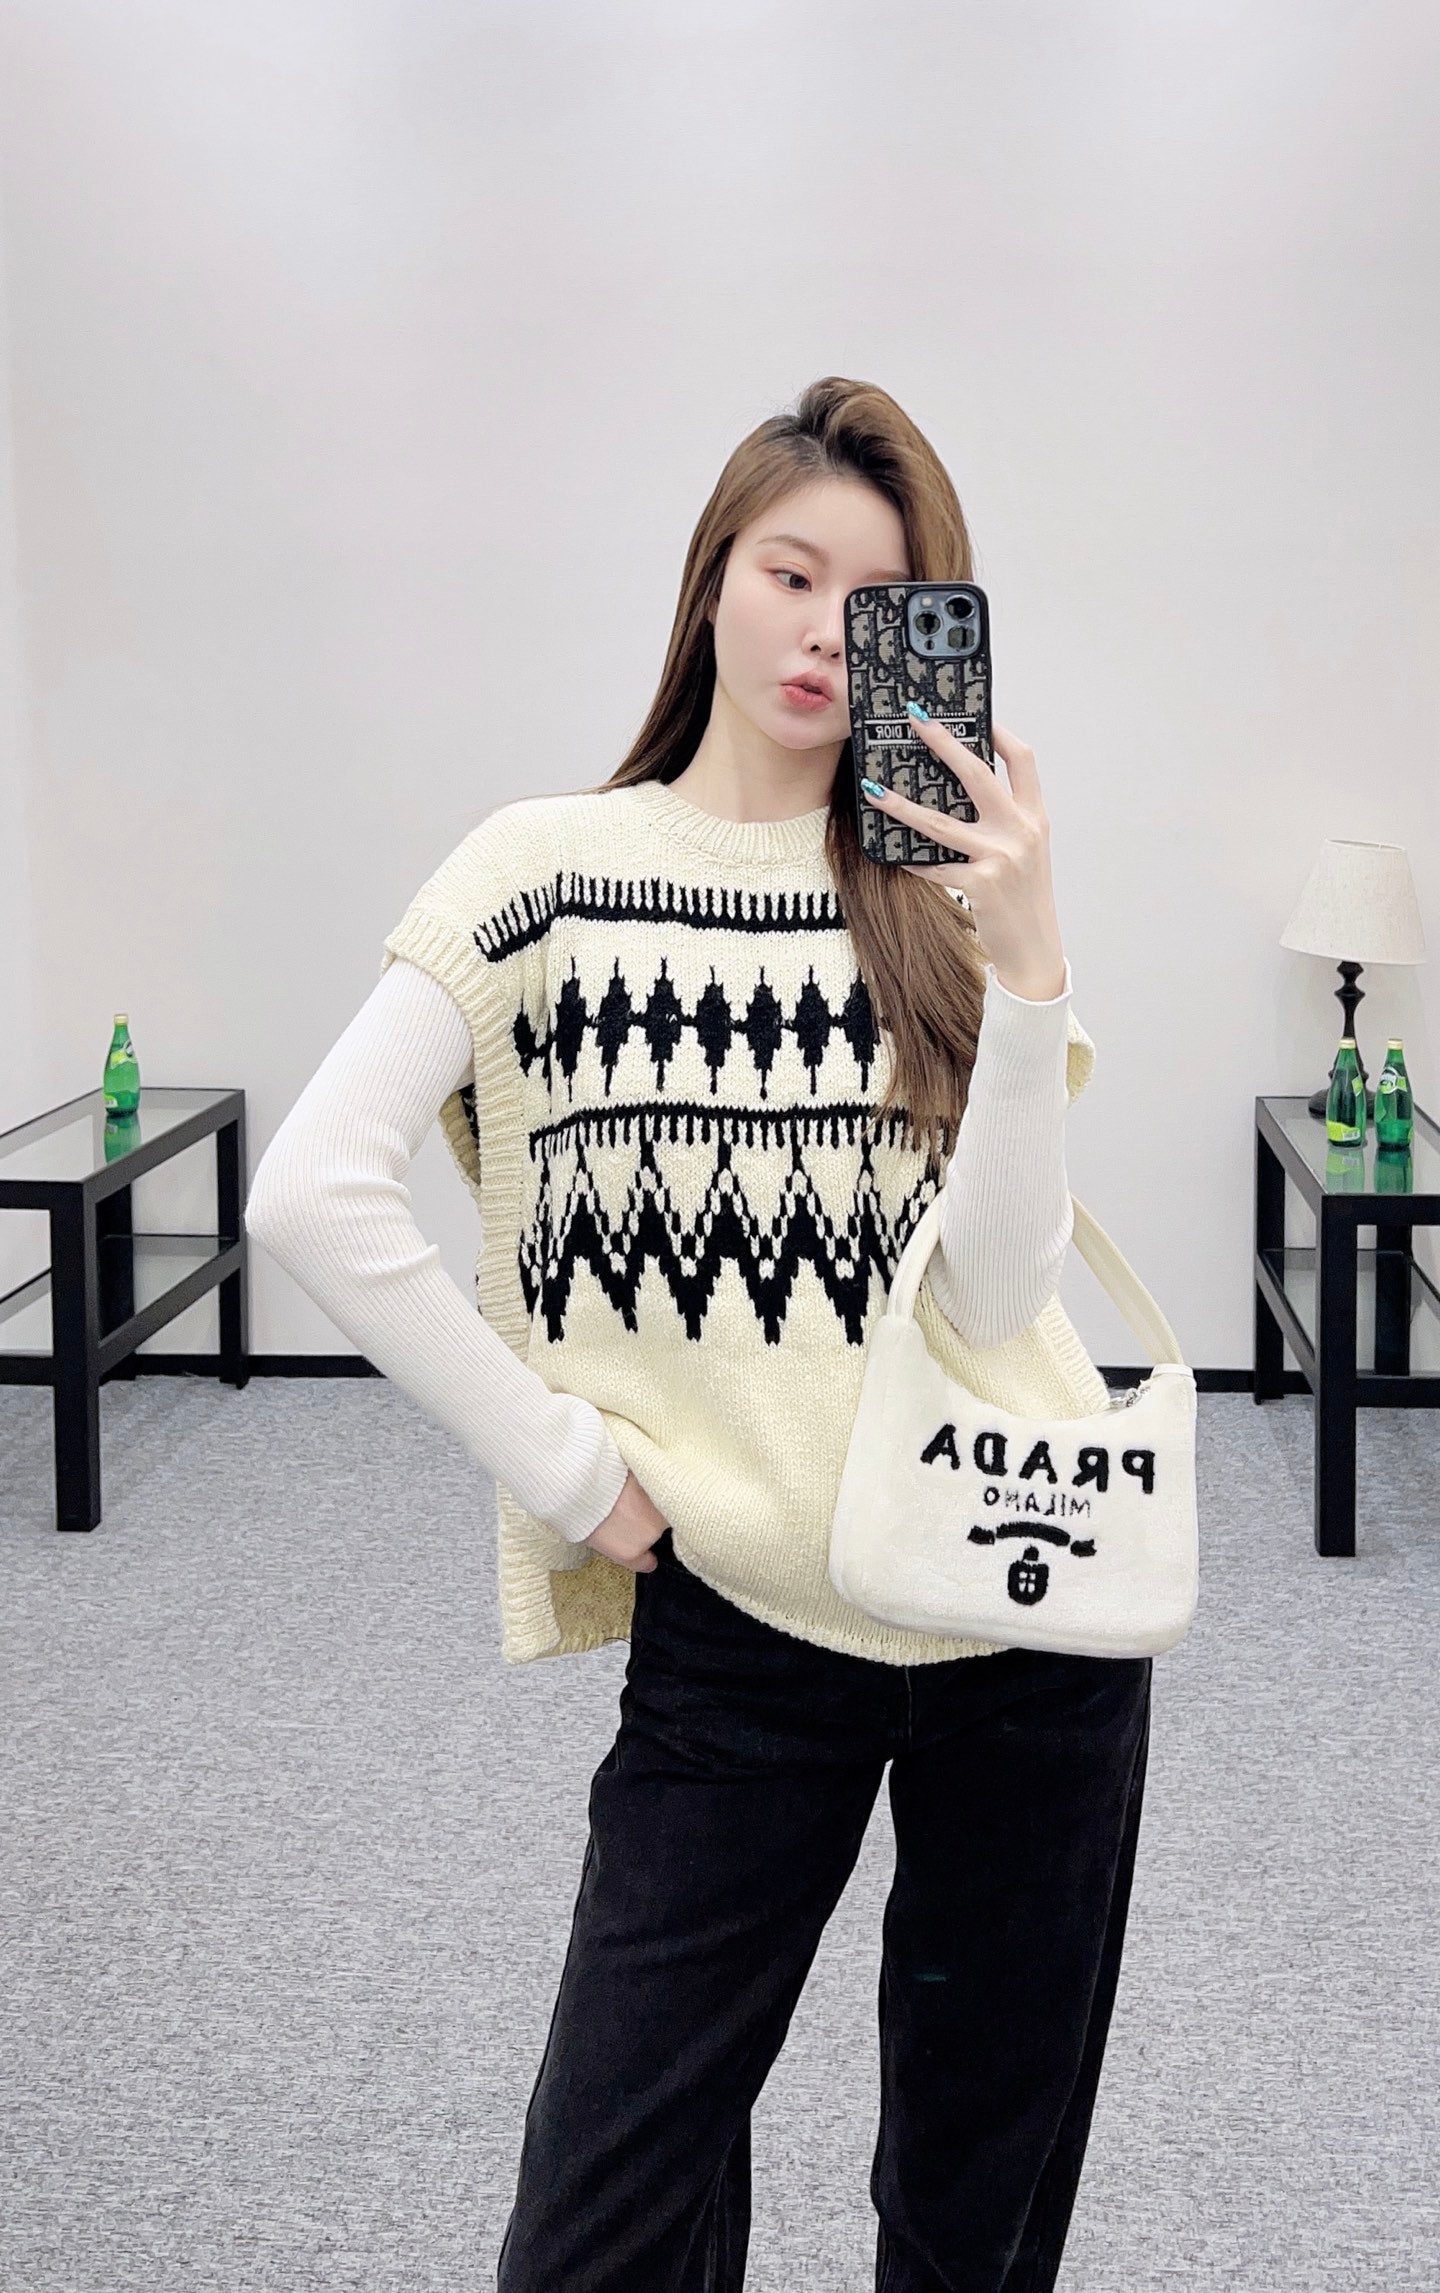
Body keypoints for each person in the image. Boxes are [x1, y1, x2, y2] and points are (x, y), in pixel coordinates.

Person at [245, 375, 1152, 2293]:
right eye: (788, 572)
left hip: (1024, 1606)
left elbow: (1002, 1296)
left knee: (971, 2223)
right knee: (604, 2222)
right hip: (745, 1634)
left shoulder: (937, 902)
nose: (823, 630)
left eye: (875, 600)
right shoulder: (542, 871)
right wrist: (570, 1468)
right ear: (712, 583)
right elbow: (312, 1187)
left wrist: (1029, 957)